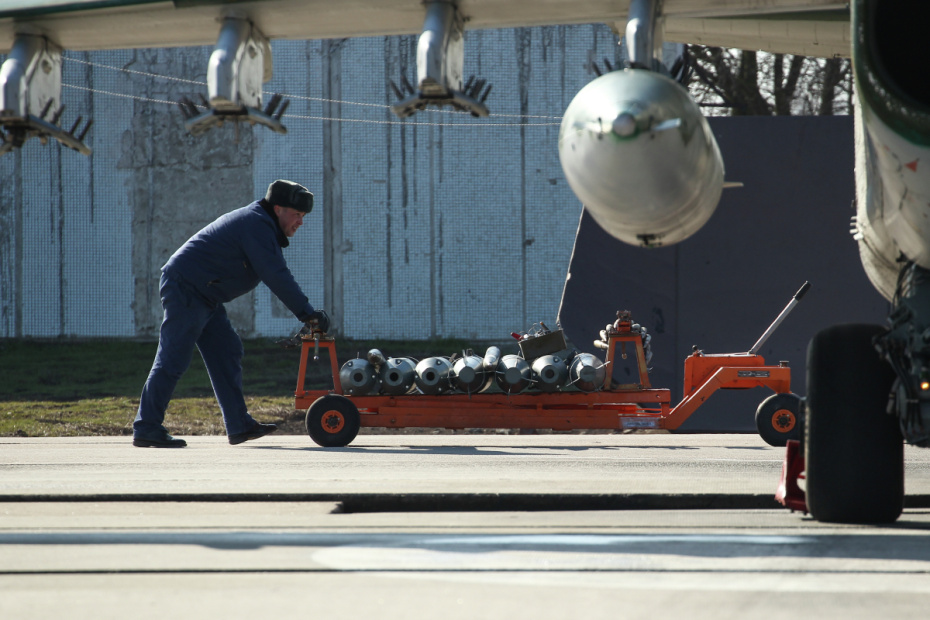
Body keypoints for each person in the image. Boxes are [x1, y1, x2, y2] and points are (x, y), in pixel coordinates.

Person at [133, 180, 330, 448]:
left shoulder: (262, 224)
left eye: (303, 216)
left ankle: (238, 425)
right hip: (187, 288)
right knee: (174, 357)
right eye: (297, 215)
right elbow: (275, 274)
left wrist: (306, 313)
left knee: (227, 350)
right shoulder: (256, 224)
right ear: (278, 209)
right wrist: (307, 313)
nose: (301, 222)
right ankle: (147, 427)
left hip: (204, 294)